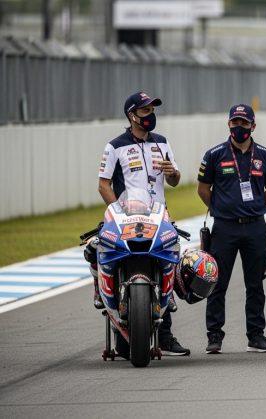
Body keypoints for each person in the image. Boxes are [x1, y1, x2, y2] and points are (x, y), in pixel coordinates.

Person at [89, 91, 189, 356]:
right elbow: (103, 185)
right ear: (132, 115)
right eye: (145, 111)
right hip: (127, 217)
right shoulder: (115, 146)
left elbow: (176, 181)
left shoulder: (163, 143)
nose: (150, 115)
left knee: (167, 261)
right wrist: (116, 212)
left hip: (158, 215)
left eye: (152, 110)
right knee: (97, 248)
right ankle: (105, 296)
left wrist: (174, 173)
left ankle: (165, 336)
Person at [197, 104, 266, 354]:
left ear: (253, 126)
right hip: (224, 229)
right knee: (217, 283)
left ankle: (256, 335)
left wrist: (253, 208)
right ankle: (214, 336)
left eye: (244, 123)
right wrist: (223, 209)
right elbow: (203, 189)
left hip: (255, 228)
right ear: (228, 124)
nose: (239, 127)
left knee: (255, 284)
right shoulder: (214, 155)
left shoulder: (265, 155)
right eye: (235, 122)